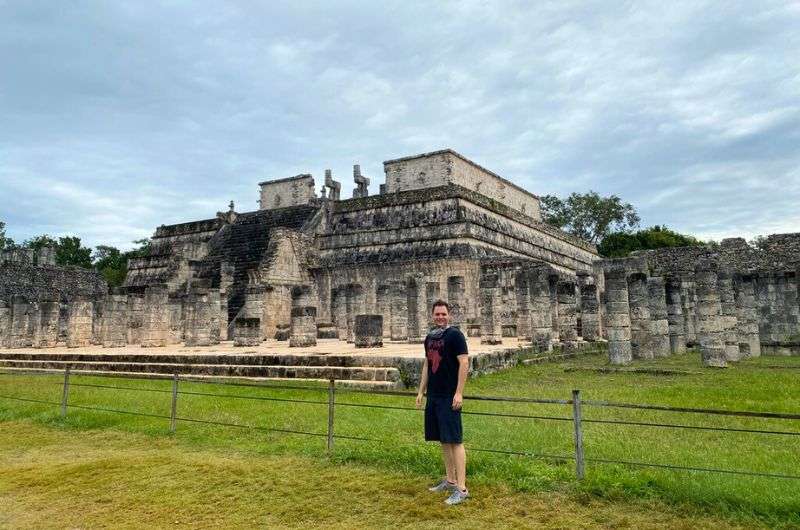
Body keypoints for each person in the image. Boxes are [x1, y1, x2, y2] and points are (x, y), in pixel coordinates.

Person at [415, 299, 469, 505]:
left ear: (449, 315)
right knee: (443, 440)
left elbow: (464, 362)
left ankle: (462, 489)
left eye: (443, 314)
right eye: (437, 314)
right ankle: (450, 480)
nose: (440, 317)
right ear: (432, 315)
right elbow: (427, 365)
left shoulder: (455, 335)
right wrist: (421, 391)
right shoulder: (429, 338)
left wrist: (459, 392)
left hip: (449, 395)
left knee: (455, 440)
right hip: (434, 395)